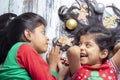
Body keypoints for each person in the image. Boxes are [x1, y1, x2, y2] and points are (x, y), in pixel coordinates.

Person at [0, 12, 68, 80]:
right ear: (28, 34)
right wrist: (53, 64)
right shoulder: (24, 49)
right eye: (43, 32)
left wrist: (61, 74)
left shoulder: (17, 51)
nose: (47, 38)